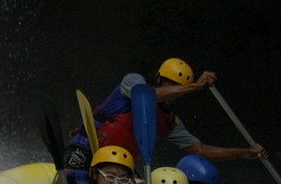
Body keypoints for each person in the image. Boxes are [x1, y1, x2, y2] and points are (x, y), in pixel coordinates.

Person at [65, 58, 267, 171]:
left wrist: (244, 152)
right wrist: (195, 86)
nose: (174, 90)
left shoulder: (170, 122)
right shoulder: (133, 81)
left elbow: (200, 150)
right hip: (88, 146)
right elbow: (147, 96)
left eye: (178, 87)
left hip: (119, 164)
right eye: (170, 83)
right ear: (159, 79)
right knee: (69, 176)